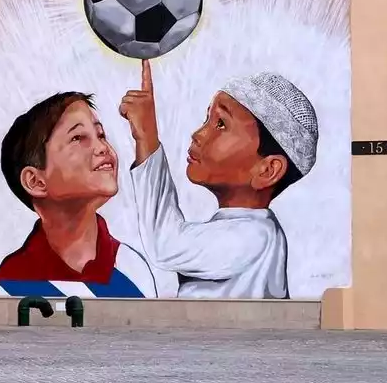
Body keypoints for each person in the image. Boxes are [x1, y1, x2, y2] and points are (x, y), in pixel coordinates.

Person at [121, 60, 319, 299]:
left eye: (221, 124)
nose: (198, 134)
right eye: (207, 119)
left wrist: (147, 138)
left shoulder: (253, 237)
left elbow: (165, 244)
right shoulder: (248, 230)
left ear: (267, 170)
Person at [0, 91, 155, 298]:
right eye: (77, 138)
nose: (102, 147)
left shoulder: (132, 268)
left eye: (100, 134)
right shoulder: (9, 283)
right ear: (35, 181)